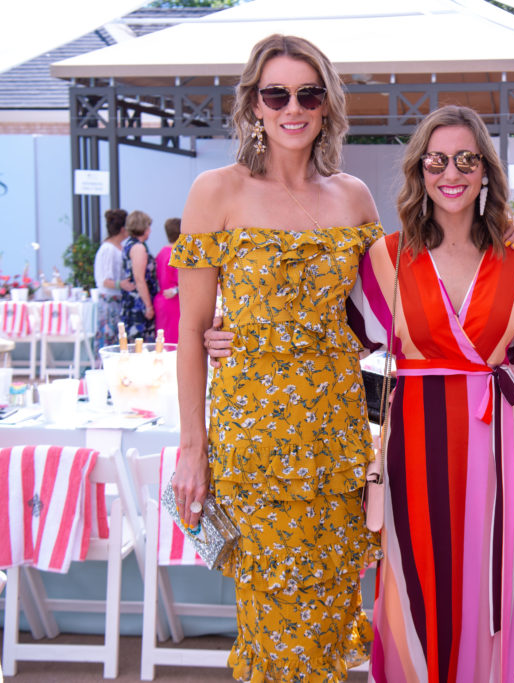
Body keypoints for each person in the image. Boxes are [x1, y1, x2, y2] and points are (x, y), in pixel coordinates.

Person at [170, 34, 383, 681]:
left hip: (336, 444)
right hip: (252, 445)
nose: (293, 106)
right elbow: (191, 331)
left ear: (327, 105)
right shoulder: (216, 192)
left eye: (308, 93)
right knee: (270, 617)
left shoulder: (354, 198)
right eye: (277, 93)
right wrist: (191, 448)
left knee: (329, 615)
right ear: (254, 106)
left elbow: (393, 318)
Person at [347, 104, 514, 683]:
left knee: (492, 578)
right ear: (420, 170)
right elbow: (336, 340)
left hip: (495, 443)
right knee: (417, 579)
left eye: (465, 159)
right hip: (414, 445)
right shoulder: (387, 256)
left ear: (485, 171)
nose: (450, 173)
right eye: (437, 160)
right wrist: (227, 334)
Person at [121, 209, 158, 342]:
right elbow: (139, 278)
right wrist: (148, 306)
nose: (150, 231)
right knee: (140, 344)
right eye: (148, 227)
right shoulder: (138, 248)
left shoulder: (128, 245)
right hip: (139, 303)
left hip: (133, 300)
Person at [93, 208, 127, 349]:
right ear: (123, 229)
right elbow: (104, 280)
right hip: (109, 302)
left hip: (118, 301)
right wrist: (122, 284)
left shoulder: (119, 247)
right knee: (110, 340)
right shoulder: (107, 249)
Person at [154, 217, 182, 343]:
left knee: (163, 341)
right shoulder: (177, 254)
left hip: (161, 299)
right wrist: (177, 289)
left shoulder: (161, 252)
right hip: (174, 301)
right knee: (174, 341)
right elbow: (182, 280)